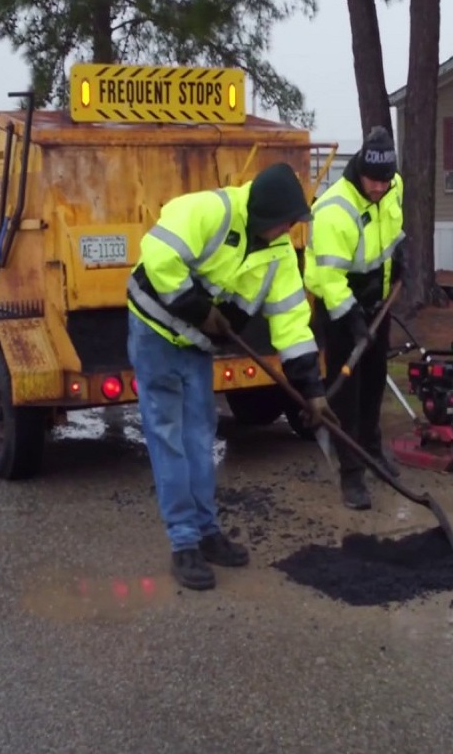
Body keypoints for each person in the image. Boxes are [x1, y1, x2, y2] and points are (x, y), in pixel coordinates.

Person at [126, 162, 334, 591]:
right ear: (262, 216)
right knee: (169, 435)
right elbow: (159, 256)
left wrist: (311, 390)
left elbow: (293, 324)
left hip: (198, 349)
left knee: (200, 438)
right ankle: (183, 543)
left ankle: (207, 532)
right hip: (156, 334)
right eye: (283, 224)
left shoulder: (278, 253)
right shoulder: (209, 211)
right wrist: (202, 311)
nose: (287, 232)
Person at [304, 126, 405, 510]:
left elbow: (393, 228)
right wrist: (351, 319)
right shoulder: (334, 210)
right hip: (338, 304)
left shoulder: (393, 184)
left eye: (385, 181)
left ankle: (372, 450)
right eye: (372, 181)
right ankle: (351, 475)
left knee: (375, 381)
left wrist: (401, 255)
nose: (379, 188)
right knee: (347, 393)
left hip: (377, 302)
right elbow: (328, 279)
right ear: (360, 169)